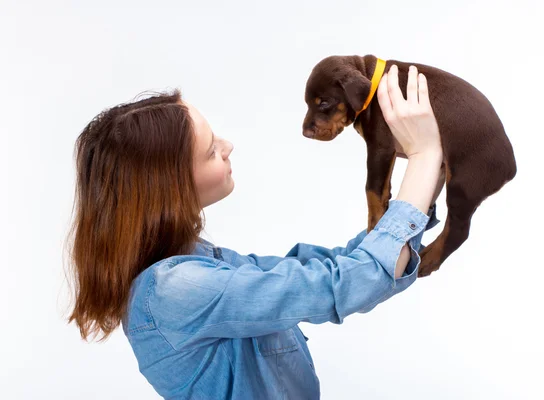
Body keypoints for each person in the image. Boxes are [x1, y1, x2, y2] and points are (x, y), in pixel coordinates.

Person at [65, 64, 444, 399]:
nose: (228, 147)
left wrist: (423, 186)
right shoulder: (177, 289)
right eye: (211, 150)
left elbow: (330, 268)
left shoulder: (194, 259)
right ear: (170, 186)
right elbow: (348, 282)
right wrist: (424, 157)